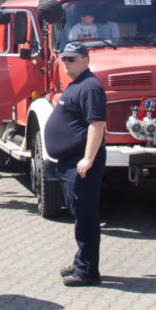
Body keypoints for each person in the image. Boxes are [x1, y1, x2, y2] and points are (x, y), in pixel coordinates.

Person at [44, 41, 106, 286]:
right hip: (69, 162)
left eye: (72, 59)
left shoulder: (90, 87)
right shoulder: (77, 85)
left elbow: (96, 124)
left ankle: (88, 271)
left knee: (86, 216)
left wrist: (88, 158)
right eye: (65, 59)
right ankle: (82, 259)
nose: (66, 63)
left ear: (85, 60)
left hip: (81, 163)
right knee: (79, 214)